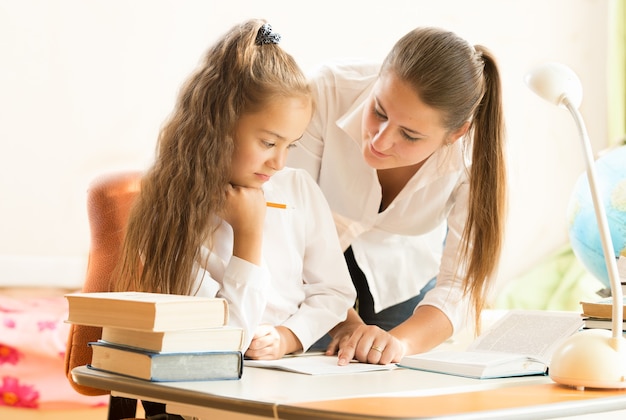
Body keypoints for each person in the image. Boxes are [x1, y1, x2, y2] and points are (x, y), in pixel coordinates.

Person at [112, 19, 356, 362]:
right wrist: (249, 234)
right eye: (269, 142)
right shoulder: (174, 209)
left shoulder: (298, 188)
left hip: (290, 367)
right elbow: (223, 339)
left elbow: (334, 292)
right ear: (218, 124)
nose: (279, 162)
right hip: (207, 377)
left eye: (291, 145)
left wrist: (289, 337)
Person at [287, 26, 506, 365]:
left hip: (399, 271)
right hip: (304, 261)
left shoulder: (474, 157)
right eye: (379, 111)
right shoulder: (327, 92)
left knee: (387, 376)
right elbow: (286, 227)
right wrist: (345, 326)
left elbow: (458, 288)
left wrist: (396, 344)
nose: (380, 141)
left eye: (409, 134)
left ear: (456, 133)